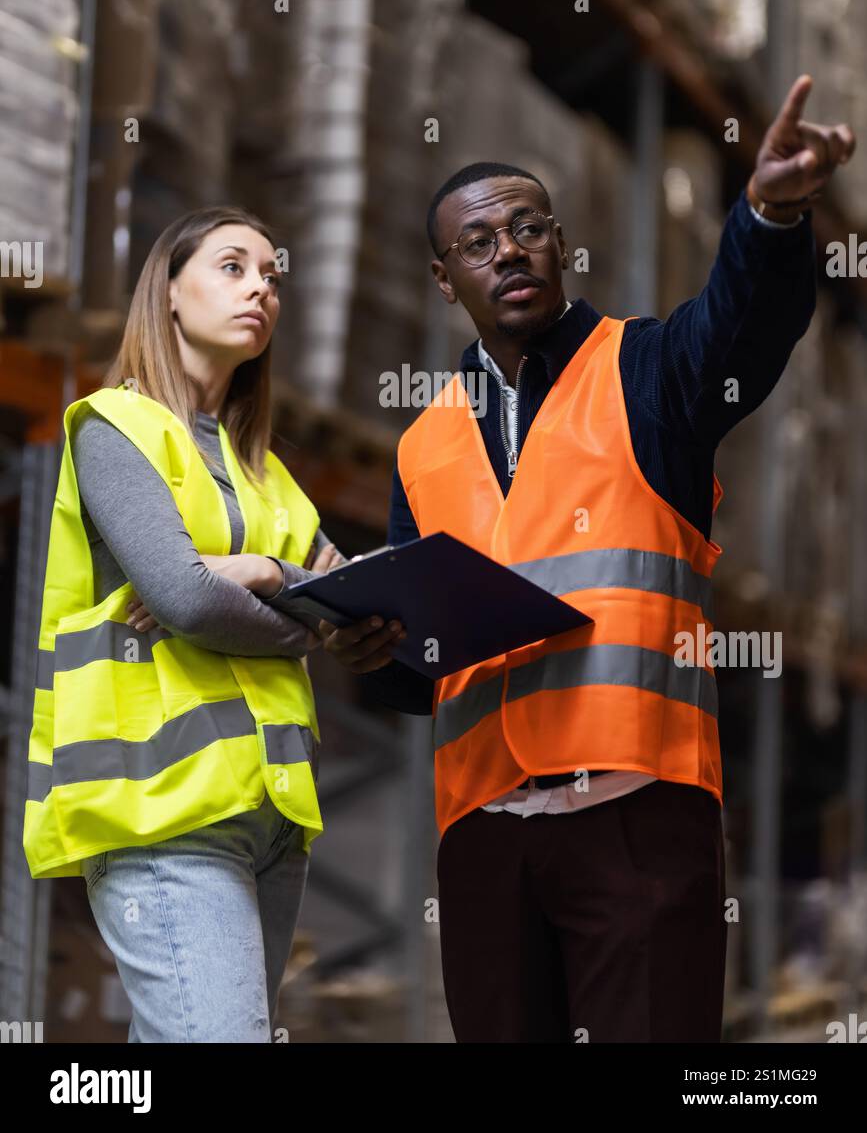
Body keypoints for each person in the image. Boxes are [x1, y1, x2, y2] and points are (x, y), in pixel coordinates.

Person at [321, 74, 856, 1043]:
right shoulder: (424, 443)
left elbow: (744, 322)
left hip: (637, 815)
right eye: (478, 242)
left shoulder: (648, 369)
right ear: (445, 279)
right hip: (483, 834)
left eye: (528, 227)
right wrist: (372, 643)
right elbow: (422, 663)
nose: (510, 250)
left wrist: (770, 214)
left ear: (561, 244)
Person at [23, 206, 345, 1043]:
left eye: (272, 276)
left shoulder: (267, 477)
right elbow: (188, 600)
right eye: (233, 267)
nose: (261, 290)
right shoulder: (115, 428)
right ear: (167, 292)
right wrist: (293, 599)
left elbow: (355, 609)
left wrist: (265, 573)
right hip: (160, 815)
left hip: (272, 820)